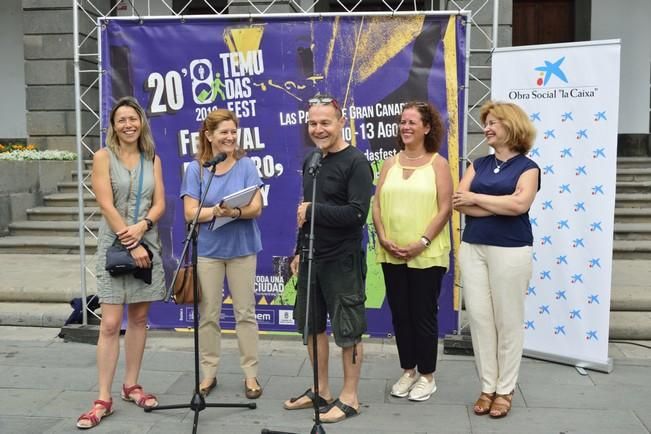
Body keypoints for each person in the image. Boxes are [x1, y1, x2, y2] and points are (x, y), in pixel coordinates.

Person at [283, 94, 373, 423]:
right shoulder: (312, 161)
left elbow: (356, 214)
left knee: (348, 330)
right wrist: (298, 250)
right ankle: (321, 389)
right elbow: (304, 214)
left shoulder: (356, 162)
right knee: (312, 327)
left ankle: (350, 397)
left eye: (325, 122)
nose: (318, 129)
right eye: (312, 123)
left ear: (340, 122)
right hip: (310, 257)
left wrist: (313, 210)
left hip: (342, 260)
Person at [77, 96, 166, 429]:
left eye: (133, 119)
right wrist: (131, 241)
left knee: (140, 318)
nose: (128, 125)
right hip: (115, 246)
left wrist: (143, 228)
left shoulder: (152, 158)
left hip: (147, 242)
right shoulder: (103, 157)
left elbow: (159, 204)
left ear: (141, 122)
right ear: (113, 126)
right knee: (111, 323)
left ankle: (132, 385)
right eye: (121, 120)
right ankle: (103, 397)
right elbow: (105, 204)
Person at [453, 100, 540, 418]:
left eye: (493, 122)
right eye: (485, 122)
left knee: (508, 322)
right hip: (473, 247)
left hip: (511, 249)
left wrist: (479, 198)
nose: (486, 128)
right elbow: (460, 203)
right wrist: (499, 202)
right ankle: (487, 387)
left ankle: (505, 390)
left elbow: (520, 206)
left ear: (512, 126)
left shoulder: (529, 168)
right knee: (480, 319)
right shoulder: (477, 164)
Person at [179, 109, 264, 400]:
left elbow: (256, 208)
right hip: (209, 252)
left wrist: (236, 212)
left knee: (245, 313)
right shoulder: (196, 169)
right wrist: (215, 211)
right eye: (223, 132)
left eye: (233, 131)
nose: (229, 137)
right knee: (209, 315)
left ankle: (251, 376)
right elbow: (189, 213)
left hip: (242, 249)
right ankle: (208, 374)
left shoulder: (247, 165)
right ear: (209, 136)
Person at [372, 101, 452, 402]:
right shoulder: (390, 163)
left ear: (427, 127)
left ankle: (427, 376)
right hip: (391, 252)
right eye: (402, 121)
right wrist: (382, 237)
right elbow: (376, 203)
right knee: (400, 315)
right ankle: (408, 370)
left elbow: (445, 208)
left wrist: (422, 242)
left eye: (412, 122)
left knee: (423, 315)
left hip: (426, 254)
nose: (405, 127)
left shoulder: (438, 164)